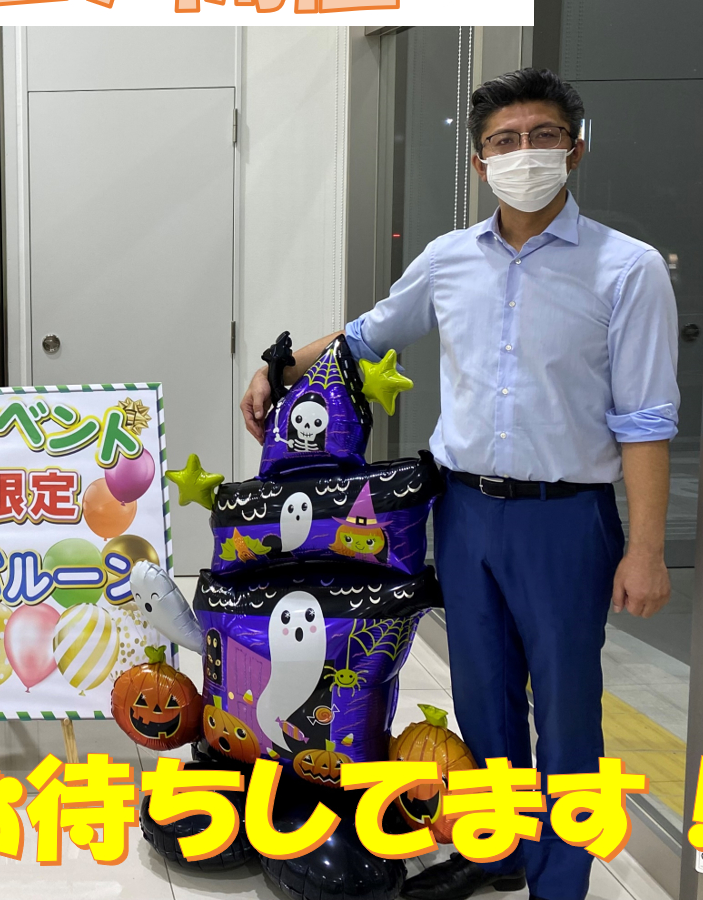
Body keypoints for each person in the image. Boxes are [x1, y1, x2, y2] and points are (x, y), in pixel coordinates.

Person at [240, 68, 675, 900]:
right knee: (482, 702)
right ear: (478, 163)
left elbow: (645, 419)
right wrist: (277, 367)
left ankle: (558, 885)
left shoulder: (626, 268)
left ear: (575, 148)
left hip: (564, 519)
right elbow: (365, 336)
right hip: (463, 508)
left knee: (567, 712)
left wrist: (646, 548)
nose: (523, 153)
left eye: (542, 136)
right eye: (504, 141)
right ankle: (496, 851)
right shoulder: (448, 260)